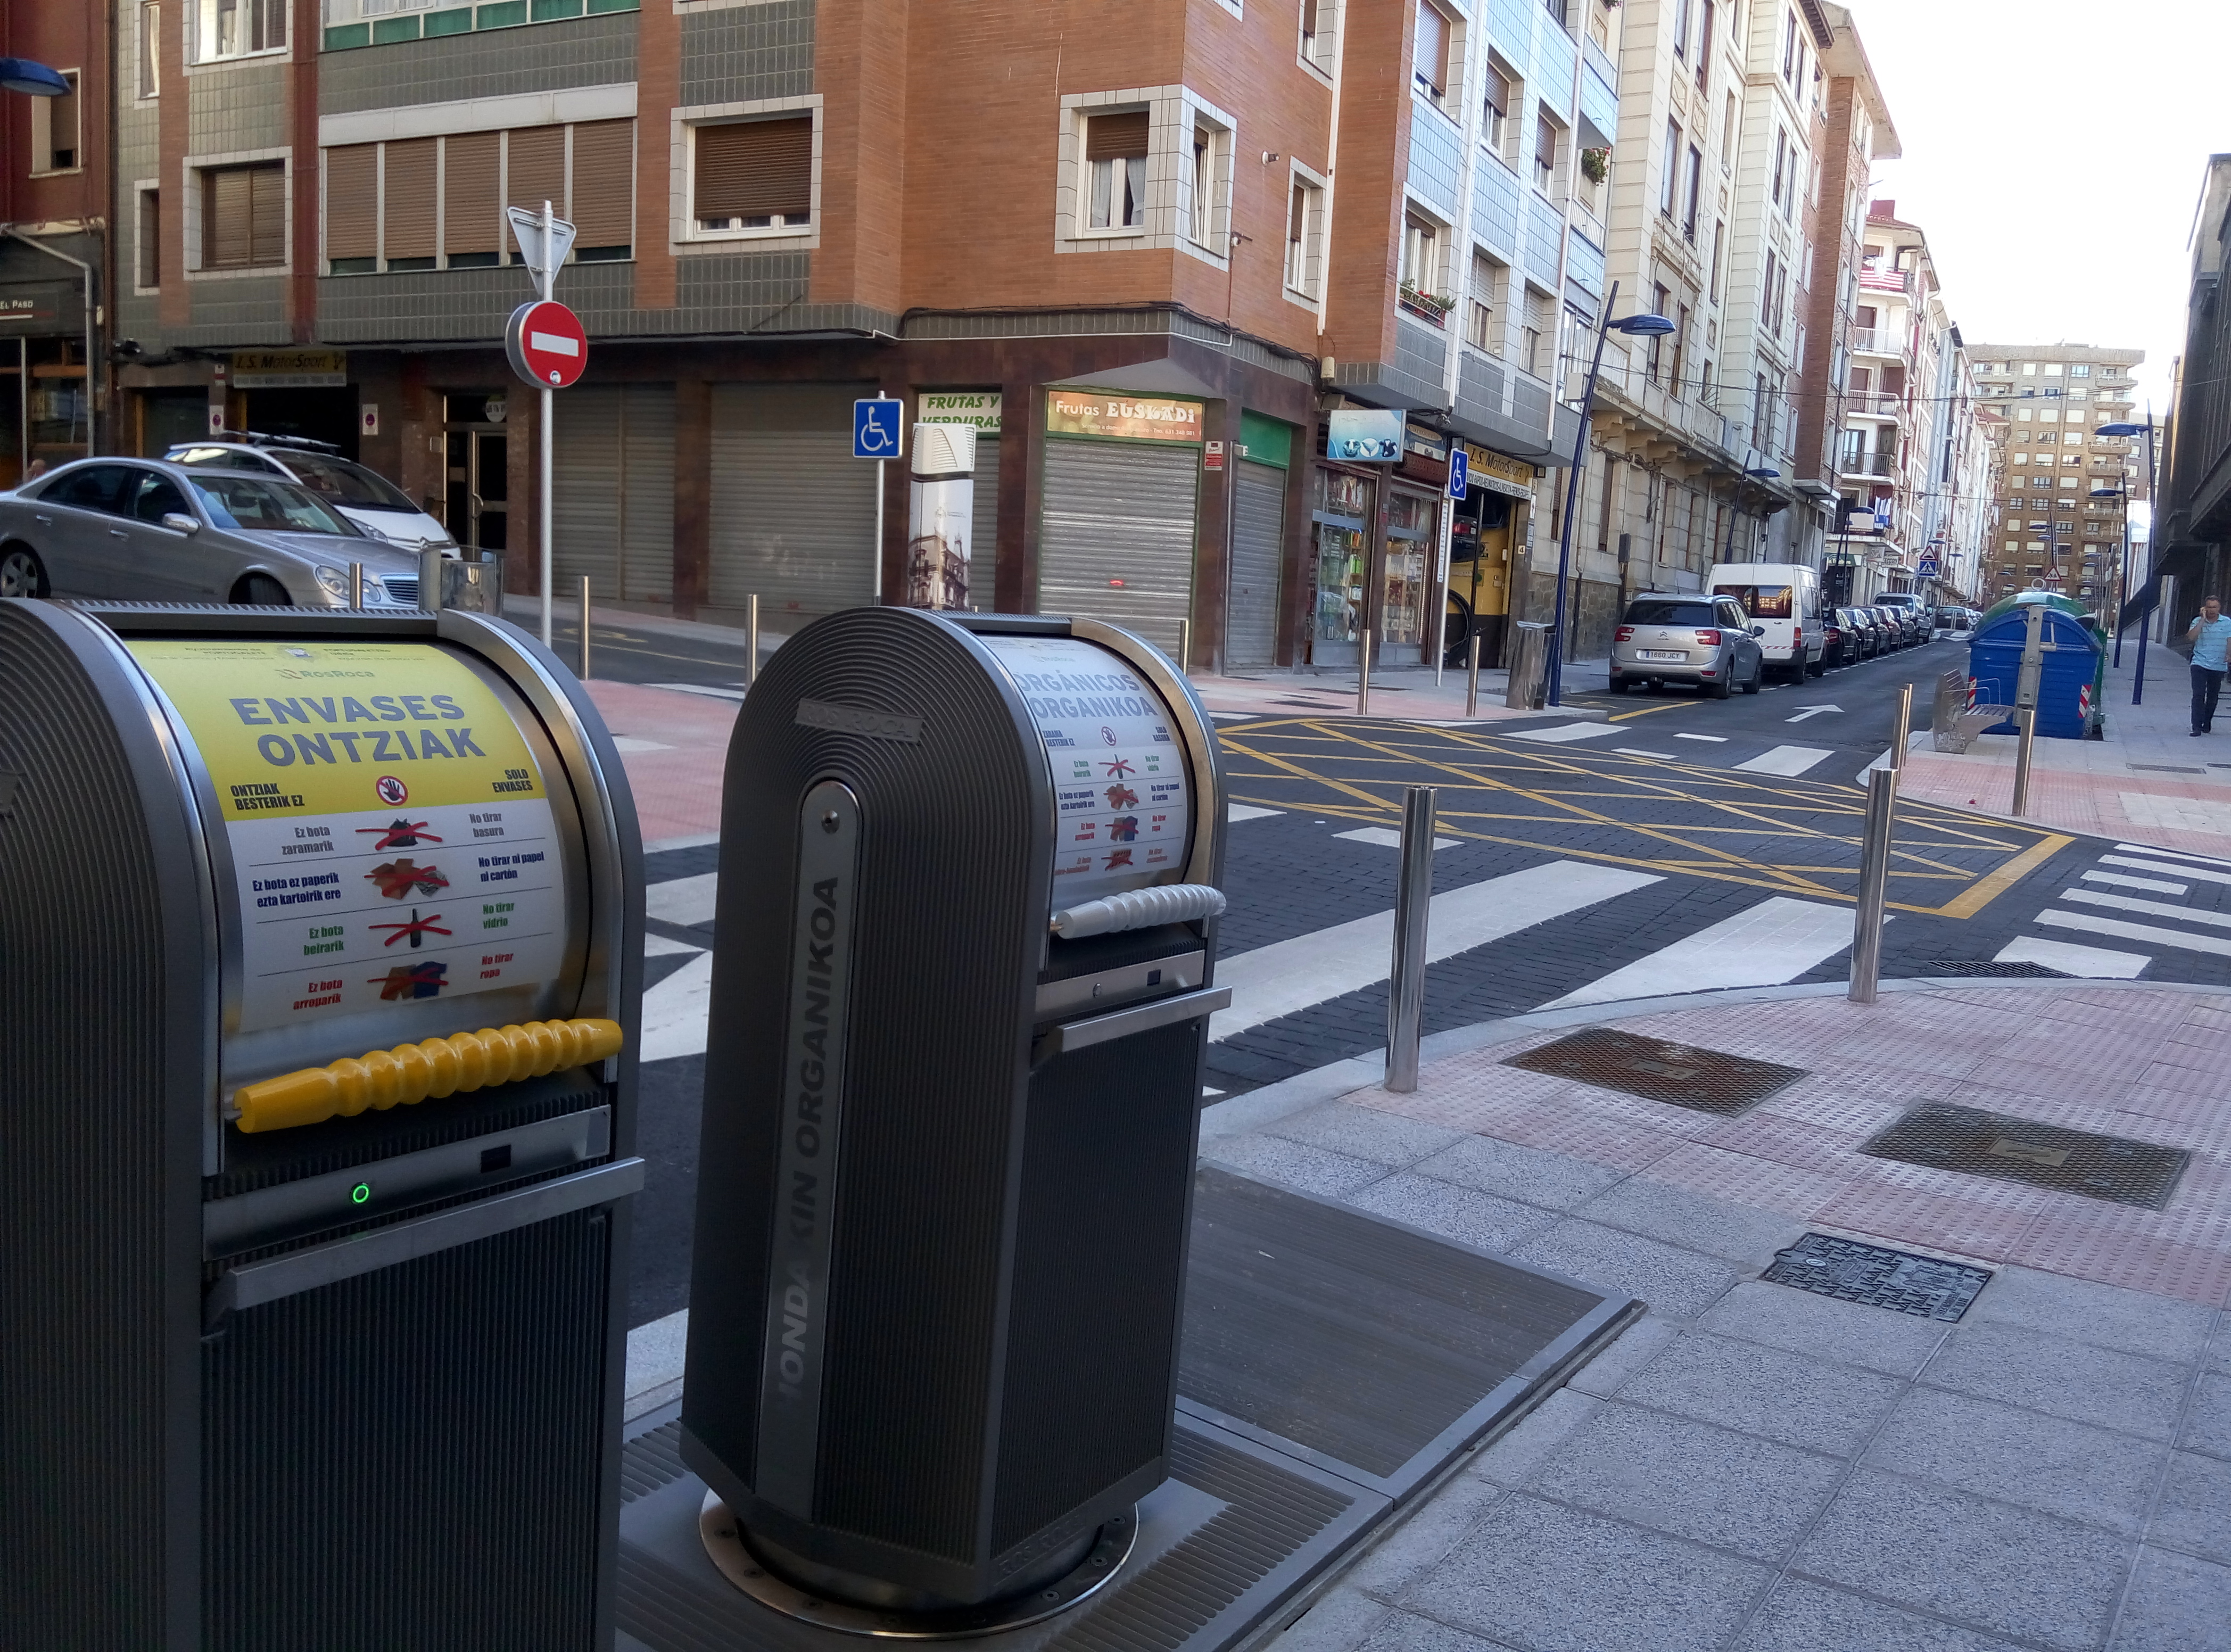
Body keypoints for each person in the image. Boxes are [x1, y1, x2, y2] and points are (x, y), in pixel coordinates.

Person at [2189, 596, 2231, 736]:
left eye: (2215, 607)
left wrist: (2229, 655)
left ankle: (2206, 721)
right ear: (2205, 608)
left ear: (2219, 608)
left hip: (2218, 664)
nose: (2212, 610)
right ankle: (2196, 726)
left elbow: (2230, 640)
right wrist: (2202, 620)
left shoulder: (2227, 623)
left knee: (2212, 697)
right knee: (2198, 694)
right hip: (2199, 663)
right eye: (2209, 607)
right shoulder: (2197, 621)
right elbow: (2191, 637)